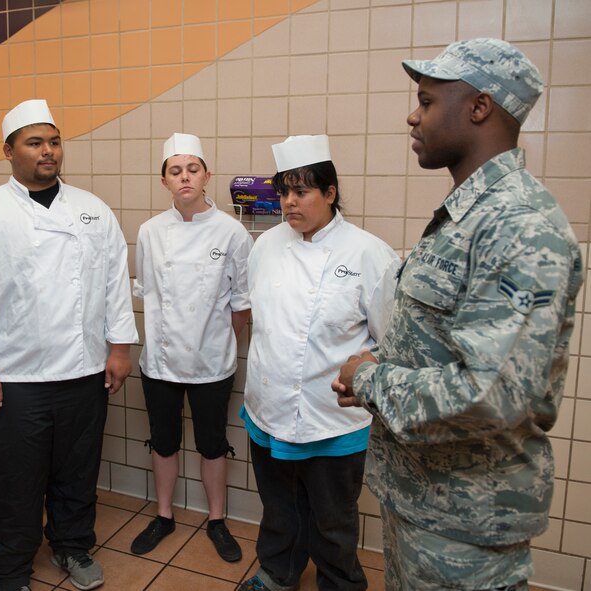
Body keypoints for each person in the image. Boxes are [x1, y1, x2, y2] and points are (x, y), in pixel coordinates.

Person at [333, 38, 583, 590]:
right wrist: (382, 364)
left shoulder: (517, 224)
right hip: (423, 501)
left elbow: (492, 394)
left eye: (426, 102)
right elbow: (443, 341)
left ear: (479, 107)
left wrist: (370, 379)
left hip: (467, 525)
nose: (412, 116)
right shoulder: (467, 216)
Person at [0, 99, 138, 591]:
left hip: (84, 369)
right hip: (16, 376)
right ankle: (11, 565)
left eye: (53, 141)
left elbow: (115, 283)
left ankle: (72, 545)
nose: (48, 151)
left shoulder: (92, 210)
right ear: (8, 151)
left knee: (77, 469)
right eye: (35, 143)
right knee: (17, 478)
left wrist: (119, 349)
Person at [240, 135, 400, 591]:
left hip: (331, 419)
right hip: (268, 408)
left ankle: (340, 584)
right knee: (279, 509)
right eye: (283, 192)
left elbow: (394, 342)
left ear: (330, 193)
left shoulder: (369, 254)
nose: (289, 202)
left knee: (333, 522)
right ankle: (277, 573)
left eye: (301, 191)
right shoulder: (266, 246)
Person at [130, 133, 251, 562]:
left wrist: (214, 342)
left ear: (206, 176)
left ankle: (216, 520)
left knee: (212, 443)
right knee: (163, 442)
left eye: (192, 169)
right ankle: (163, 516)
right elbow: (147, 294)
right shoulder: (150, 232)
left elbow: (241, 306)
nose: (185, 177)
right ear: (164, 180)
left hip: (212, 363)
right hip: (160, 364)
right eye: (176, 171)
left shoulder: (232, 232)